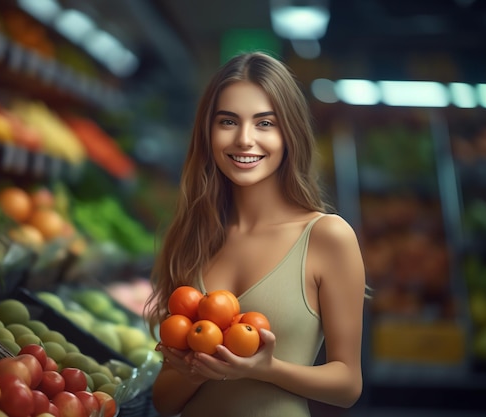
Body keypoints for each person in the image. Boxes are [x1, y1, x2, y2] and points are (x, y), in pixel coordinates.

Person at [144, 51, 366, 417]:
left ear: (289, 132)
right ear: (208, 131)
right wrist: (197, 370)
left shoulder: (327, 237)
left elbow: (347, 386)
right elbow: (164, 402)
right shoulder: (193, 236)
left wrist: (267, 369)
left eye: (265, 123)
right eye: (228, 121)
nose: (245, 139)